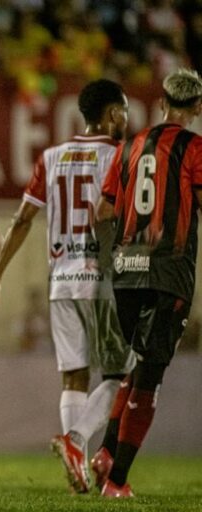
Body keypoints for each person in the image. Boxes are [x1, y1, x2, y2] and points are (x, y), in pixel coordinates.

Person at [0, 79, 135, 494]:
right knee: (120, 375)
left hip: (60, 279)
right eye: (125, 111)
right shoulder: (121, 156)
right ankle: (77, 441)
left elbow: (23, 220)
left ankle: (76, 473)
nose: (128, 119)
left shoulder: (52, 156)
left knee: (74, 377)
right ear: (112, 114)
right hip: (99, 277)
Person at [89, 68, 202, 498]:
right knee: (149, 376)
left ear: (161, 104)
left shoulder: (130, 146)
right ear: (197, 109)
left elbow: (102, 211)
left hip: (125, 268)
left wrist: (111, 257)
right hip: (168, 269)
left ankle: (104, 452)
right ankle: (117, 481)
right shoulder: (195, 147)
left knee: (134, 366)